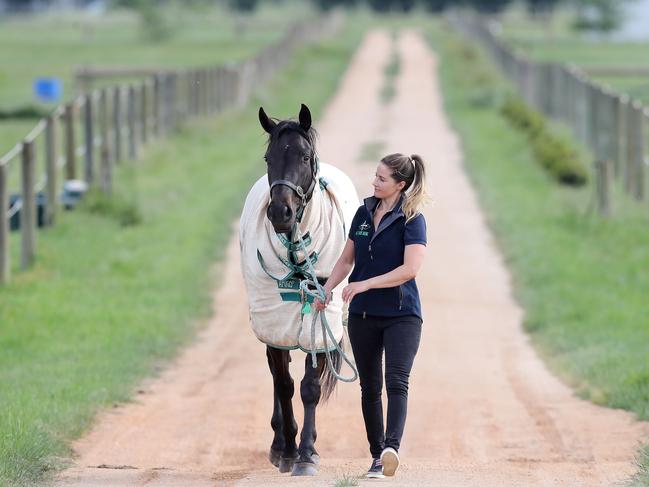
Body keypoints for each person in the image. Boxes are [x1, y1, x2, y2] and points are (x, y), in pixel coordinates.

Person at [315, 153, 429, 479]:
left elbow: (410, 269)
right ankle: (377, 456)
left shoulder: (412, 220)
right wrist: (328, 288)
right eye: (375, 176)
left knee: (396, 382)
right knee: (369, 388)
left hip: (401, 314)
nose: (374, 182)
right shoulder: (363, 214)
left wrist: (365, 284)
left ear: (400, 185)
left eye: (382, 179)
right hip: (364, 315)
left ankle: (392, 447)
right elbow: (346, 258)